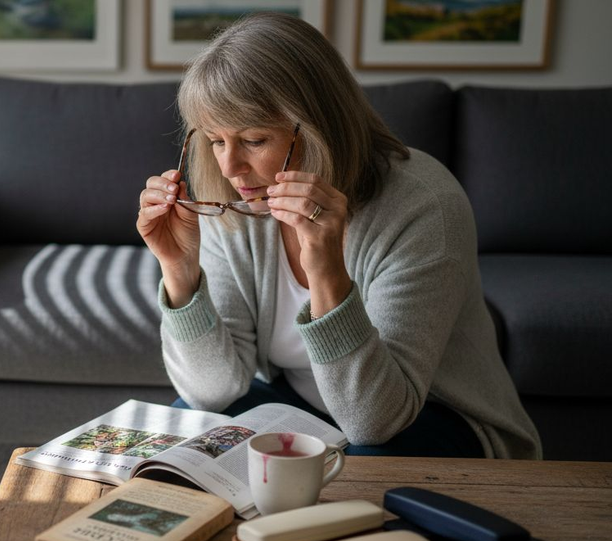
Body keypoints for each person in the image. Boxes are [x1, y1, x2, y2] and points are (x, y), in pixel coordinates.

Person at [136, 13, 540, 459]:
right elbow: (211, 394)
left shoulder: (424, 205)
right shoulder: (234, 202)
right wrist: (179, 271)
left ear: (317, 127)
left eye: (253, 140)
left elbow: (375, 421)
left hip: (428, 415)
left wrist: (327, 271)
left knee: (357, 471)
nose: (230, 169)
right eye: (215, 141)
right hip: (299, 407)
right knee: (187, 437)